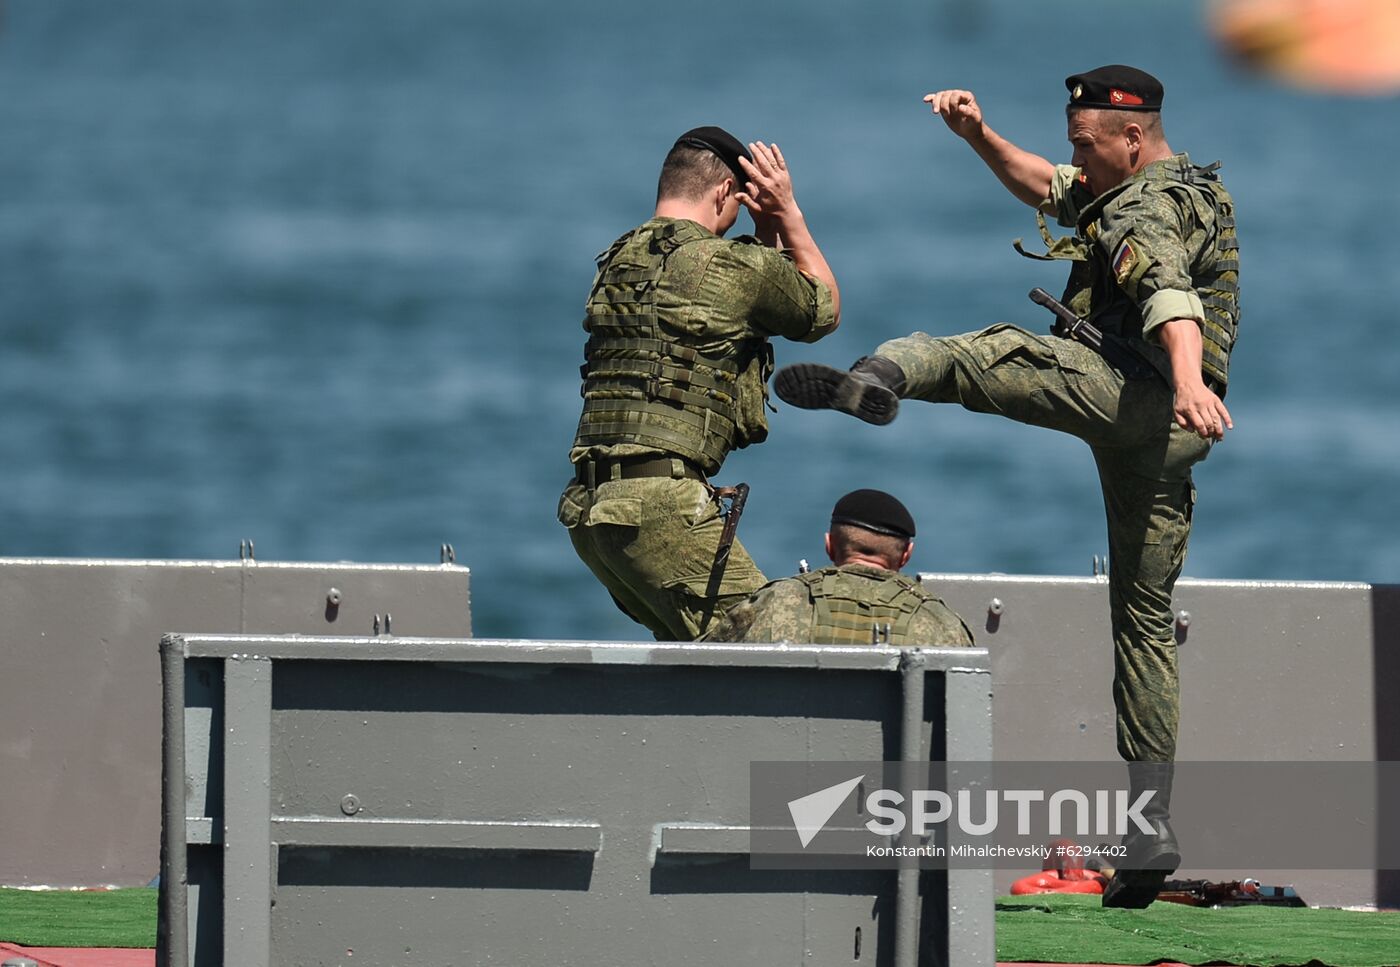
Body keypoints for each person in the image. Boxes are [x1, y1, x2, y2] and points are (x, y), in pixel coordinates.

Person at [773, 66, 1239, 907]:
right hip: (1172, 440)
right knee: (1140, 619)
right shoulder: (1170, 185)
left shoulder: (1139, 209)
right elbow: (1051, 185)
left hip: (1141, 392)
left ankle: (879, 374)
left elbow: (1167, 292)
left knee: (985, 351)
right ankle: (1149, 828)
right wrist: (978, 137)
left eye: (1086, 144)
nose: (1076, 159)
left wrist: (1187, 377)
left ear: (1131, 138)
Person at [559, 126, 841, 641]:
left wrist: (761, 236)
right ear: (721, 194)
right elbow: (822, 310)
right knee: (786, 645)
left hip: (591, 509)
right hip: (659, 508)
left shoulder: (618, 260)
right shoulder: (729, 265)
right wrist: (786, 214)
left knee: (700, 658)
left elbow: (725, 300)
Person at [701, 489, 973, 646]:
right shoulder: (943, 625)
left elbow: (705, 666)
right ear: (906, 556)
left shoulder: (775, 603)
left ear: (829, 546)